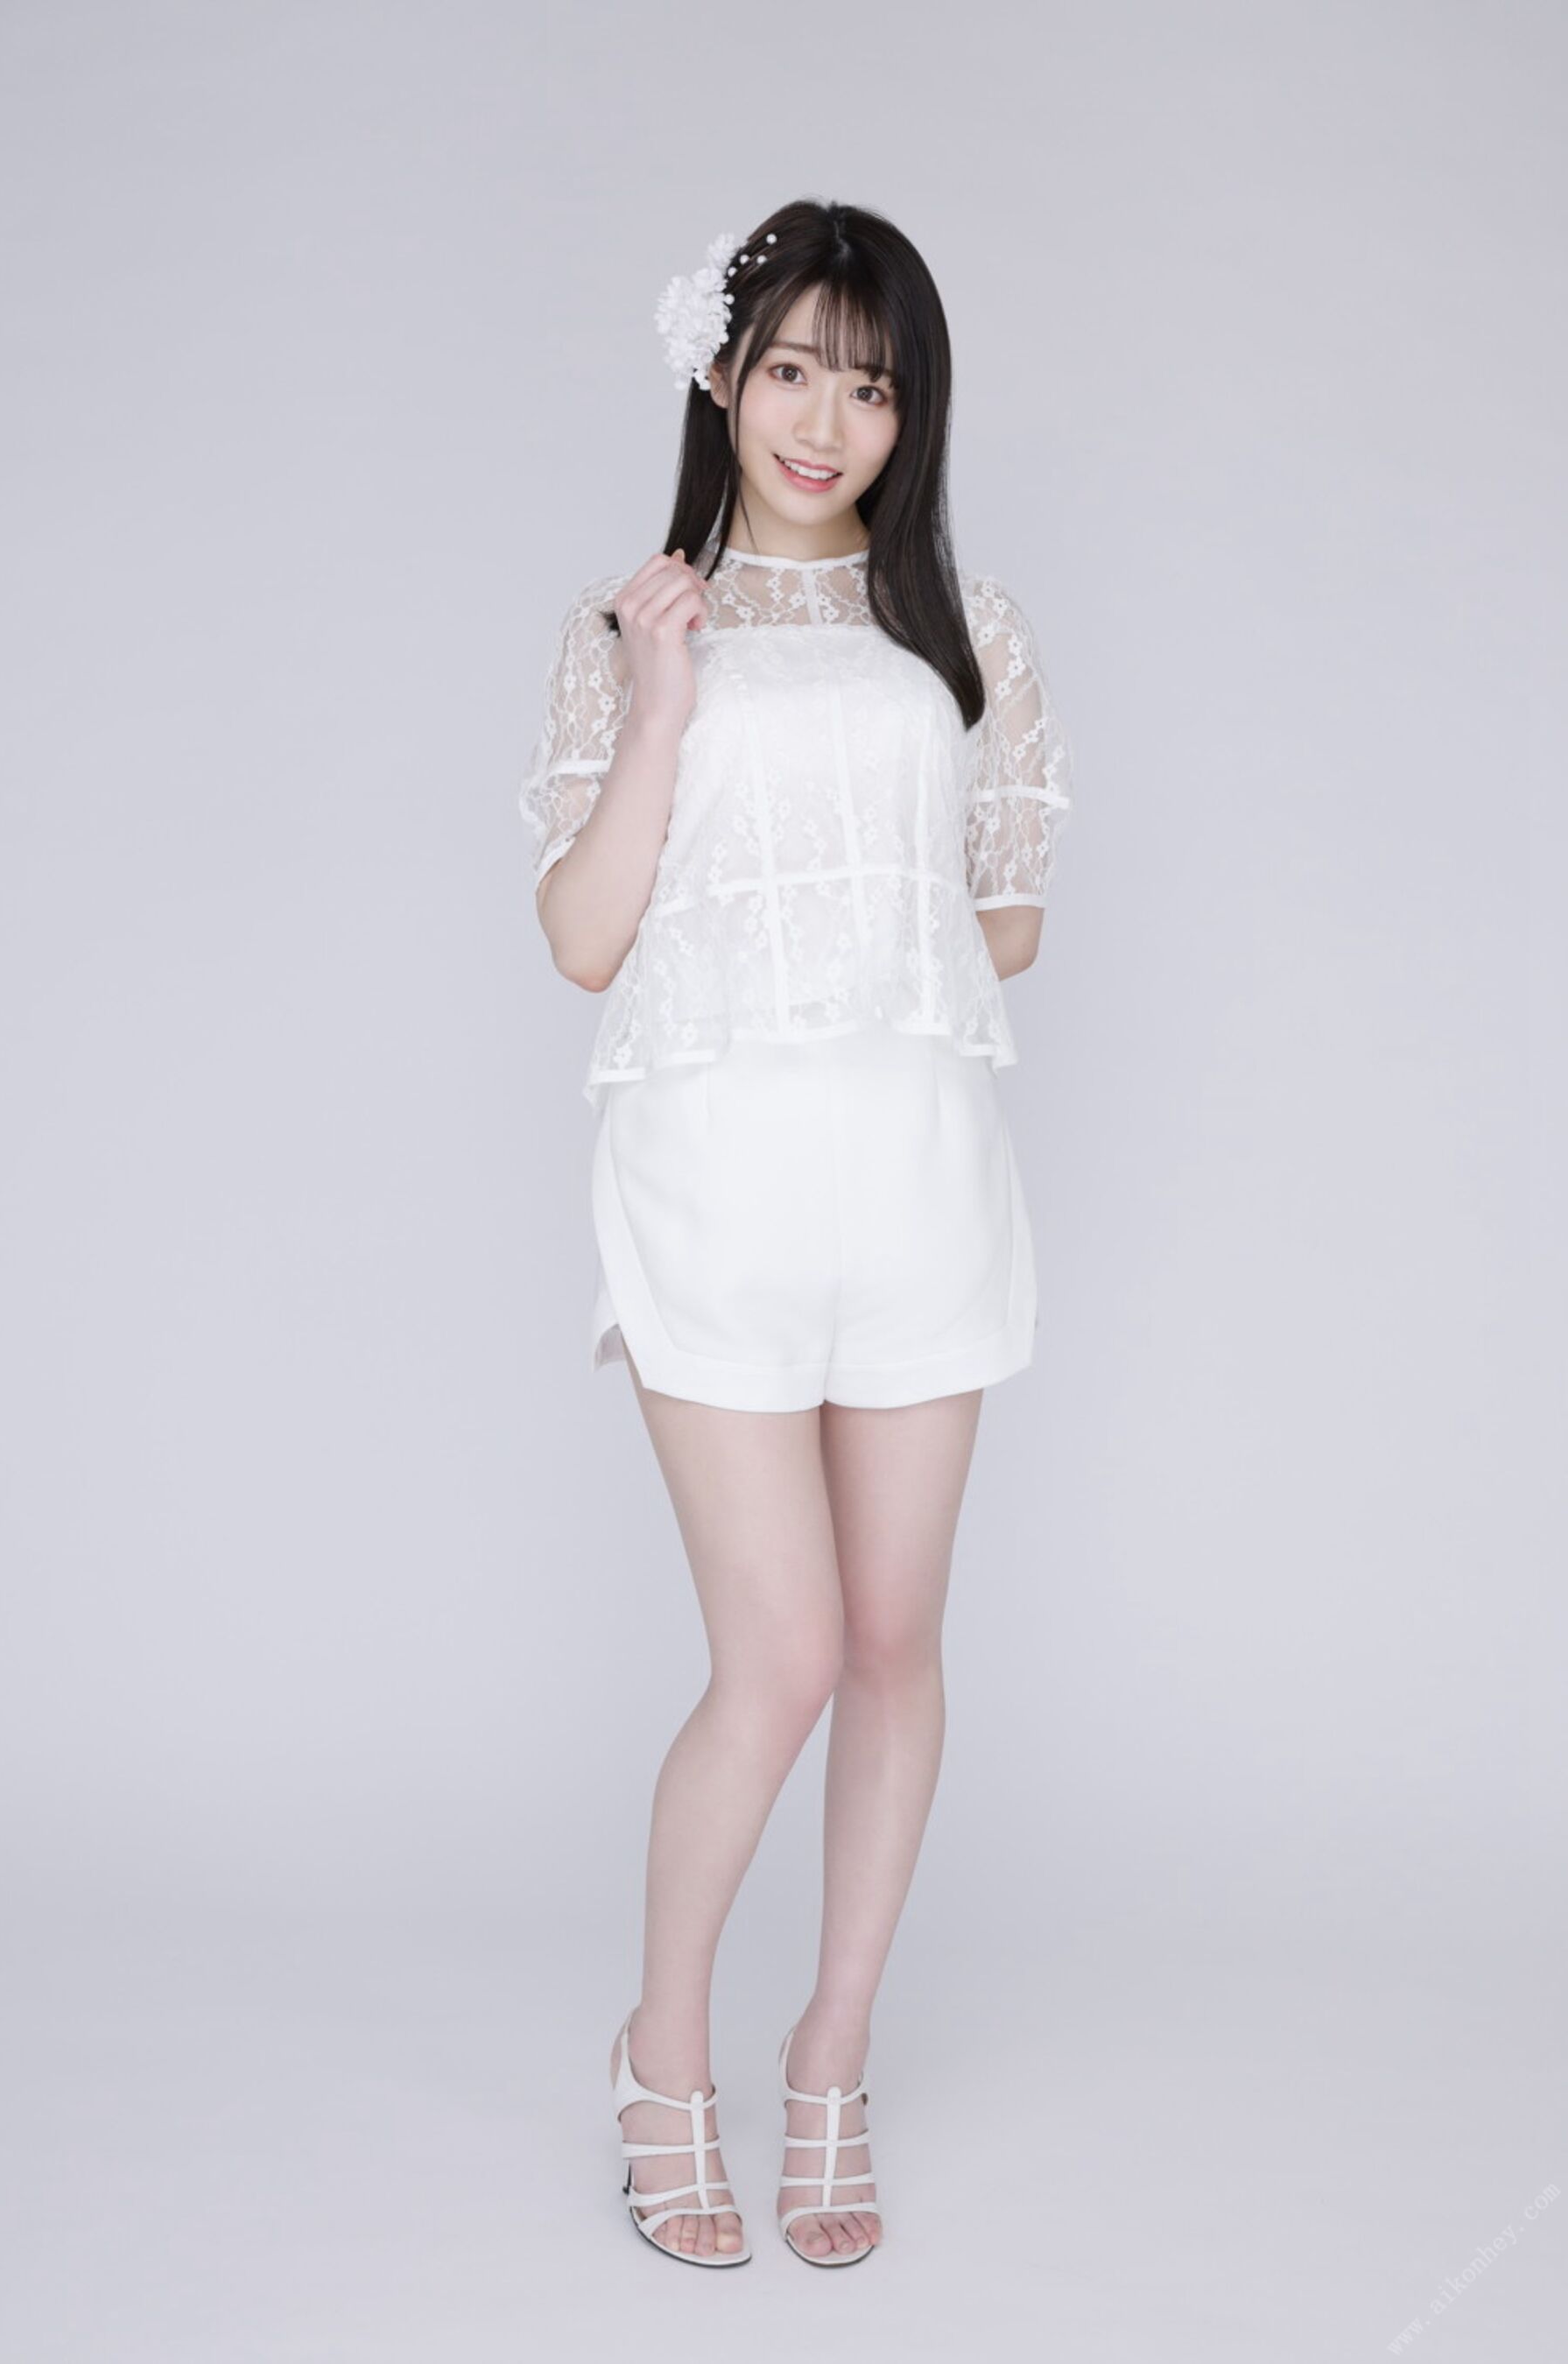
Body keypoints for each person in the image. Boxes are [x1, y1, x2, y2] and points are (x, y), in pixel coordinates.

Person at [518, 199, 1074, 2269]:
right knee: (780, 1655)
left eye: (873, 383)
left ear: (912, 415)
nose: (827, 420)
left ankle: (830, 2052)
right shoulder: (633, 622)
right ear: (723, 376)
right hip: (715, 1181)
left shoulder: (965, 630)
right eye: (793, 370)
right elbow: (585, 941)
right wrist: (667, 711)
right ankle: (663, 2059)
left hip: (914, 1172)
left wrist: (855, 929)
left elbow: (1009, 922)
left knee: (895, 1643)